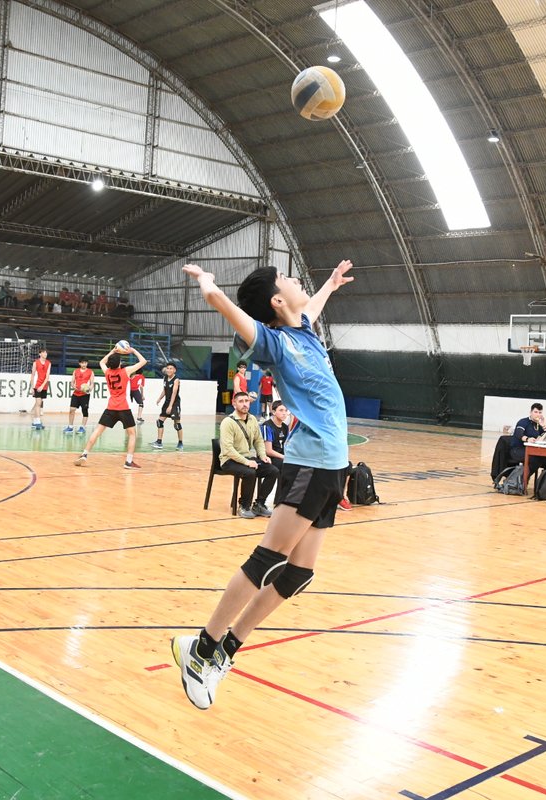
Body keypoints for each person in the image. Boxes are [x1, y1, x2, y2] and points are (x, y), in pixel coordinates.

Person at [170, 259, 352, 711]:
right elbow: (221, 304)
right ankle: (203, 647)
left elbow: (312, 305)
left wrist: (329, 283)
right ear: (276, 300)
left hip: (333, 468)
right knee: (267, 559)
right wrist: (208, 286)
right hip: (309, 465)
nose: (297, 283)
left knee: (300, 572)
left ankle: (226, 650)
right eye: (289, 281)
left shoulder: (306, 328)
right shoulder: (274, 341)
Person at [76, 344, 147, 469]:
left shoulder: (107, 372)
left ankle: (84, 454)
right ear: (119, 363)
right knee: (132, 434)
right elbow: (143, 361)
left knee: (97, 431)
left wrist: (112, 351)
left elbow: (101, 362)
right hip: (123, 407)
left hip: (111, 407)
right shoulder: (126, 371)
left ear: (110, 364)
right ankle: (128, 461)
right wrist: (132, 350)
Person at [218, 391, 279, 518]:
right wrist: (247, 462)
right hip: (229, 460)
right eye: (241, 401)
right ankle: (244, 506)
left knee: (273, 470)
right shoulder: (227, 422)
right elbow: (228, 449)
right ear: (234, 404)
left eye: (246, 401)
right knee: (250, 472)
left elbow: (258, 440)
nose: (244, 404)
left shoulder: (252, 419)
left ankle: (259, 504)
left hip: (247, 458)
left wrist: (263, 456)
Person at [152, 363, 183, 451]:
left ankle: (180, 443)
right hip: (167, 402)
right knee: (159, 422)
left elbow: (174, 393)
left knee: (177, 424)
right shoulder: (165, 378)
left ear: (174, 370)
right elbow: (165, 390)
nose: (169, 370)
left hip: (175, 403)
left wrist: (170, 406)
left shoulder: (176, 380)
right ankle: (159, 442)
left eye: (171, 368)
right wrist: (160, 398)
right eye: (168, 368)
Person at [64, 357, 93, 434]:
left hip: (85, 395)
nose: (84, 364)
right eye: (82, 363)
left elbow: (92, 383)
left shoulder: (90, 372)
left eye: (85, 363)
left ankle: (82, 427)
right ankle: (70, 427)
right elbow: (72, 382)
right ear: (79, 363)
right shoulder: (75, 371)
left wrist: (88, 389)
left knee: (85, 411)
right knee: (71, 410)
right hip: (76, 393)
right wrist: (74, 387)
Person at [30, 348, 52, 429]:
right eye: (44, 352)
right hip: (37, 385)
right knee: (38, 403)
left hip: (44, 385)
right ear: (40, 354)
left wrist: (43, 386)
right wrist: (32, 387)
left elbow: (47, 376)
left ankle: (35, 422)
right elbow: (32, 375)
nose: (45, 354)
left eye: (46, 353)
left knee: (38, 403)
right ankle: (38, 421)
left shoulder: (48, 363)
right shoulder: (36, 363)